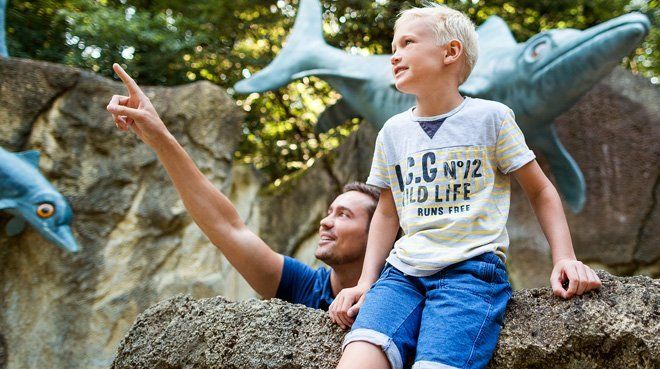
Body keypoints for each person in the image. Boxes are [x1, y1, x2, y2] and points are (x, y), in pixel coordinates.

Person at [328, 4, 602, 369]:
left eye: (407, 42)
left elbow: (540, 190)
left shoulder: (491, 118)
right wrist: (367, 281)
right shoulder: (392, 132)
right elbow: (387, 211)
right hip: (401, 275)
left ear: (450, 52)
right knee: (358, 359)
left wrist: (565, 257)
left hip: (470, 273)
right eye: (394, 46)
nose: (395, 54)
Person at [105, 63, 379, 310]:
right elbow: (226, 227)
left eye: (343, 215)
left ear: (378, 233)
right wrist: (160, 137)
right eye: (330, 212)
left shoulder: (397, 295)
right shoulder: (304, 286)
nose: (325, 222)